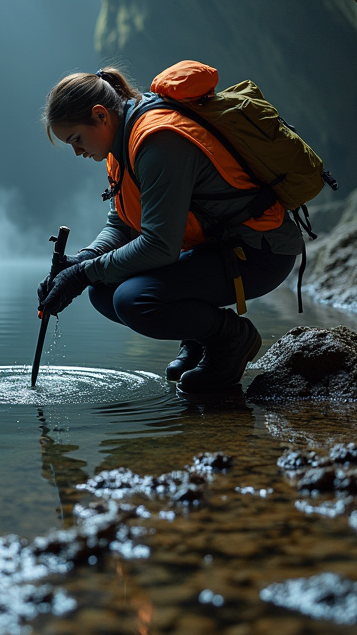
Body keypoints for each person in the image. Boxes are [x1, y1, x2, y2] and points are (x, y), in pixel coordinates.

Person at [35, 61, 303, 394]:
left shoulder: (157, 142)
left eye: (76, 139)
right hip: (213, 250)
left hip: (258, 252)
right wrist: (79, 263)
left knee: (134, 301)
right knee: (102, 292)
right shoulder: (120, 143)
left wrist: (82, 273)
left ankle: (231, 339)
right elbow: (121, 223)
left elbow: (159, 246)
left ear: (101, 115)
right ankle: (198, 337)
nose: (76, 152)